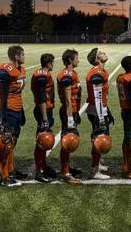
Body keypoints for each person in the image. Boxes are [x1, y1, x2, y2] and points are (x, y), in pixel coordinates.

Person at [0, 45, 27, 187]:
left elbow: (18, 93)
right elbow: (2, 95)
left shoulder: (21, 69)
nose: (24, 57)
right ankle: (4, 177)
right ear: (16, 56)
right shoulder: (4, 70)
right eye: (22, 55)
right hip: (7, 109)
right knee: (5, 144)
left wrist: (22, 111)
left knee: (12, 143)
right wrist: (2, 117)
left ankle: (10, 170)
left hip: (17, 109)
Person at [85, 48, 113, 179]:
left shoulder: (101, 71)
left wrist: (108, 110)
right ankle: (94, 170)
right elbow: (97, 97)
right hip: (97, 110)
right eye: (101, 53)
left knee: (97, 136)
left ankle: (98, 163)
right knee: (99, 138)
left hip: (99, 109)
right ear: (97, 59)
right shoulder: (97, 72)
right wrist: (102, 116)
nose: (104, 53)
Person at [56, 49, 83, 184]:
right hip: (68, 112)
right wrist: (71, 117)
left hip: (71, 110)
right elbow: (67, 100)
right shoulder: (67, 74)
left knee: (68, 142)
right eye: (76, 58)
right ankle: (64, 172)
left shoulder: (72, 73)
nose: (78, 60)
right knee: (68, 142)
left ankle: (66, 168)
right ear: (70, 60)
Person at [31, 53, 57, 183]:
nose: (53, 64)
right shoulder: (42, 75)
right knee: (41, 142)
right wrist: (45, 117)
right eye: (52, 62)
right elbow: (41, 96)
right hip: (43, 110)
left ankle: (44, 166)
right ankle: (39, 171)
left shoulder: (42, 73)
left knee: (43, 141)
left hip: (45, 109)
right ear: (49, 63)